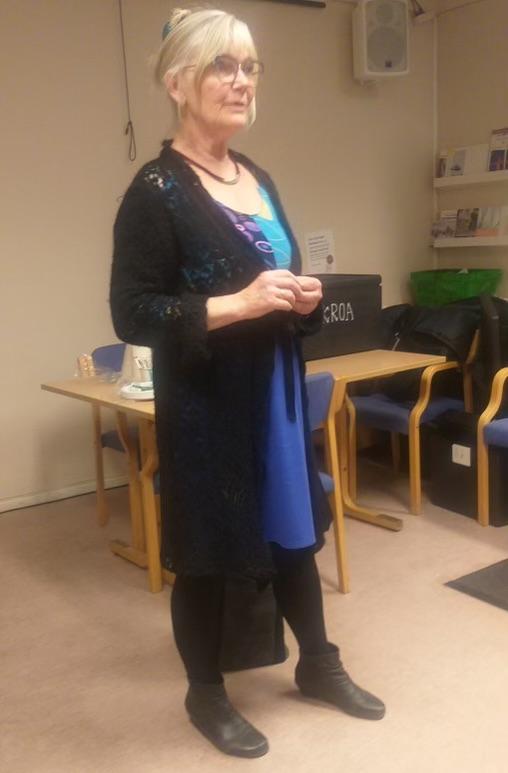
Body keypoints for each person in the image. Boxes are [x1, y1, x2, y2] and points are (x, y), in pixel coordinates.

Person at [110, 7, 385, 759]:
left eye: (250, 67)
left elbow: (275, 282)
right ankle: (205, 691)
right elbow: (132, 311)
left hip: (275, 396)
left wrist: (301, 299)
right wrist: (240, 303)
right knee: (208, 547)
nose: (242, 81)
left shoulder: (256, 177)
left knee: (292, 531)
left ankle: (319, 663)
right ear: (178, 82)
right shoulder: (157, 188)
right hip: (208, 405)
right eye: (222, 66)